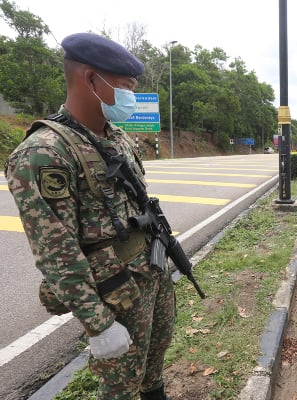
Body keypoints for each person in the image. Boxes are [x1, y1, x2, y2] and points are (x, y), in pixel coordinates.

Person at [4, 33, 175, 400]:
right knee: (121, 386)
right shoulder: (43, 152)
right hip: (114, 292)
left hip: (150, 273)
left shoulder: (118, 138)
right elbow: (56, 251)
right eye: (125, 86)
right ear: (90, 79)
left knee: (153, 363)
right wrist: (98, 325)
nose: (131, 95)